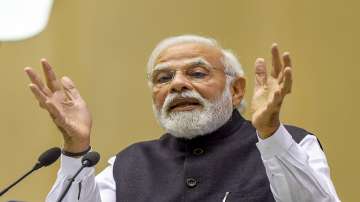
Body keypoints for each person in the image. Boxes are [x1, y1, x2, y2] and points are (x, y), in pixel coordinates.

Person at [24, 35, 340, 202]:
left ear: (237, 89)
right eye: (163, 78)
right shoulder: (128, 163)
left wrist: (270, 133)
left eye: (197, 72)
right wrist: (75, 146)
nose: (177, 84)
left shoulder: (294, 144)